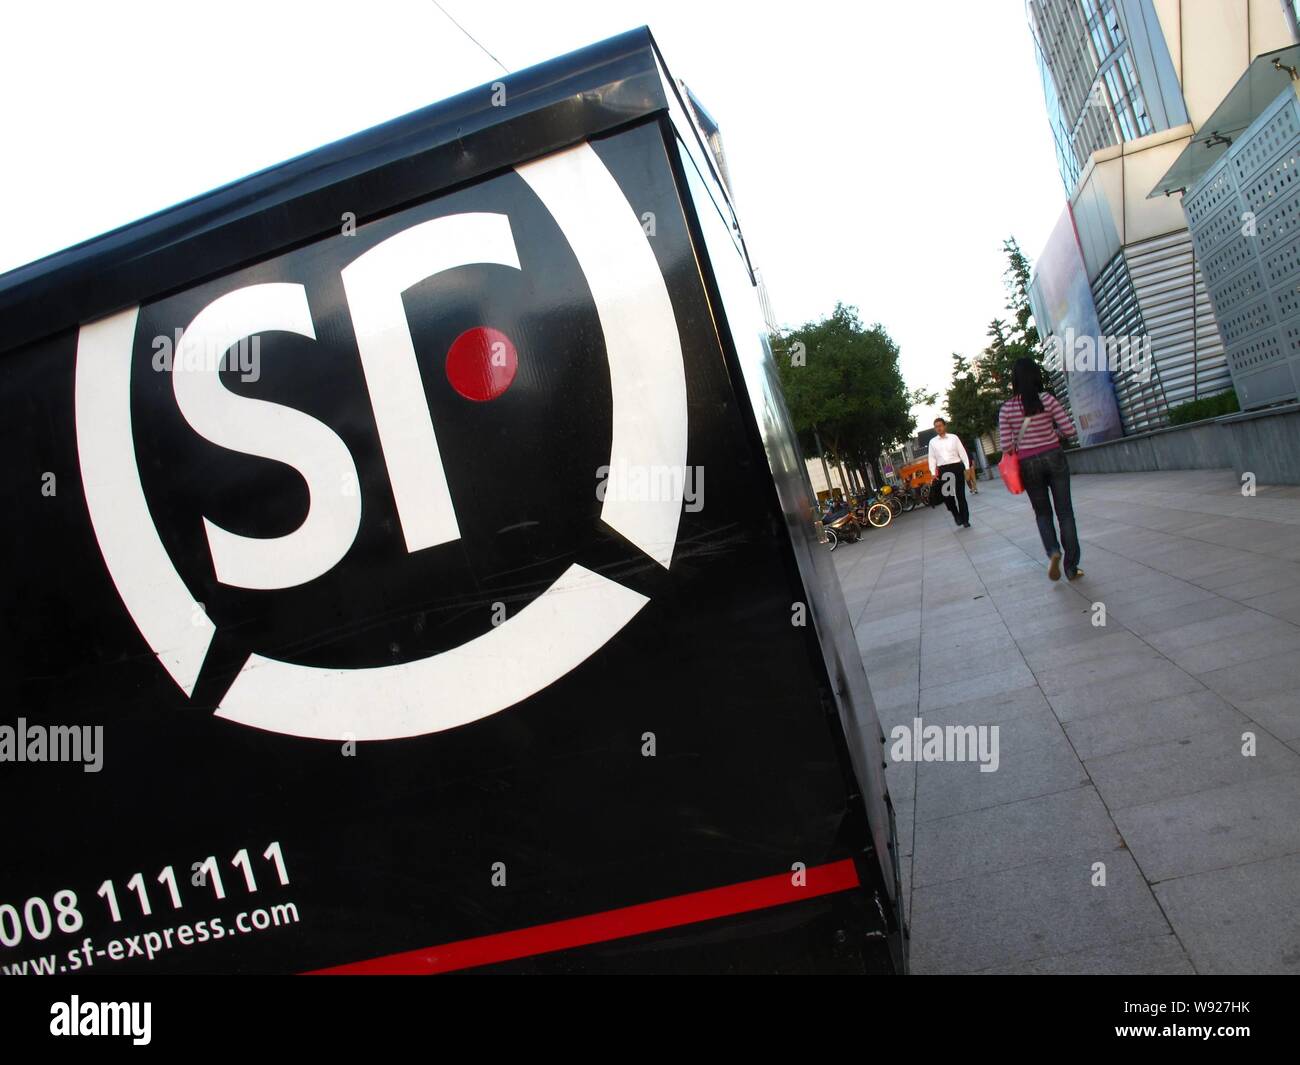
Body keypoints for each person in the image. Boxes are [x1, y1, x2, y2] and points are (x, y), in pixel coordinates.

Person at [999, 357, 1083, 581]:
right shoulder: (1048, 400)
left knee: (1042, 513)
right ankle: (1071, 566)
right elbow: (1069, 430)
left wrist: (1021, 442)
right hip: (1054, 457)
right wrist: (1052, 435)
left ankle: (1053, 551)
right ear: (1036, 375)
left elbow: (1006, 446)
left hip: (1028, 464)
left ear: (1014, 380)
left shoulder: (1007, 409)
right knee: (1065, 512)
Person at [927, 417, 971, 528]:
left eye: (940, 426)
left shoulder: (953, 438)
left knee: (961, 495)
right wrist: (933, 472)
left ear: (944, 426)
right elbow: (931, 458)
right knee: (948, 496)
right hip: (944, 470)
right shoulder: (932, 442)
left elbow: (962, 452)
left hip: (956, 467)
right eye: (936, 427)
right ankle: (956, 515)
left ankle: (965, 520)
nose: (938, 428)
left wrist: (967, 467)